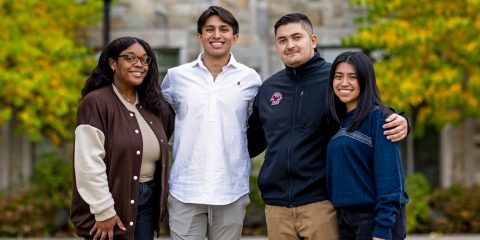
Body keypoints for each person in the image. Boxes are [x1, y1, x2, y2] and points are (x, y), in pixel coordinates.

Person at [247, 13, 409, 239]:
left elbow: (368, 109)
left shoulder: (335, 80)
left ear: (313, 40)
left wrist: (401, 120)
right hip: (277, 208)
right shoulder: (268, 89)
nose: (290, 45)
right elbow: (251, 142)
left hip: (321, 205)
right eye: (282, 40)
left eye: (296, 37)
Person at [160, 6, 262, 240]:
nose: (217, 35)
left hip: (231, 188)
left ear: (234, 37)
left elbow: (255, 126)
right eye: (210, 29)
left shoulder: (250, 79)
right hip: (186, 187)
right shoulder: (176, 77)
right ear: (200, 36)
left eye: (224, 29)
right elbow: (161, 122)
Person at [70, 36, 174, 240]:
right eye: (130, 58)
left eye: (145, 60)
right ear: (112, 63)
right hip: (112, 204)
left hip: (148, 203)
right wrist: (104, 210)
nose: (139, 65)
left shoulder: (155, 105)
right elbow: (88, 163)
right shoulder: (97, 103)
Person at [325, 51, 408, 240]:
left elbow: (391, 179)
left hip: (374, 219)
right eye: (338, 76)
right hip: (345, 219)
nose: (344, 83)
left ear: (365, 80)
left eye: (352, 77)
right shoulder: (338, 122)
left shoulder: (379, 119)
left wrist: (383, 229)